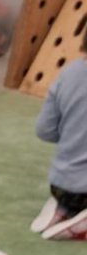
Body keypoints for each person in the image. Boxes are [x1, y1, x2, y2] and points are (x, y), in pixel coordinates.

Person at [33, 30, 87, 239]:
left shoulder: (69, 72)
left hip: (60, 185)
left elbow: (44, 130)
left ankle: (63, 208)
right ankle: (80, 224)